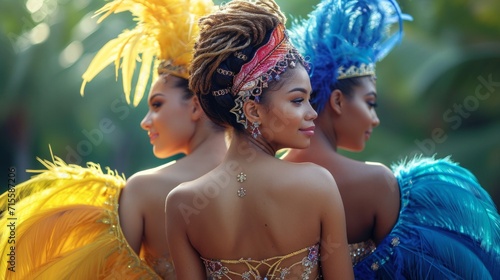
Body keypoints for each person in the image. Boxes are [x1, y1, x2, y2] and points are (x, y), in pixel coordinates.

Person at [0, 0, 226, 279]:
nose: (145, 121)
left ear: (195, 106)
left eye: (156, 105)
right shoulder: (275, 176)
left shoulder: (144, 189)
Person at [284, 0, 500, 278]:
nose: (374, 119)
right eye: (370, 102)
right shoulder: (377, 183)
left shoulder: (262, 179)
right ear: (337, 101)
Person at [164, 0, 354, 279]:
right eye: (298, 100)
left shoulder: (182, 204)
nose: (312, 113)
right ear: (253, 110)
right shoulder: (319, 184)